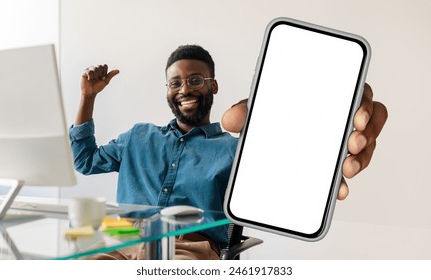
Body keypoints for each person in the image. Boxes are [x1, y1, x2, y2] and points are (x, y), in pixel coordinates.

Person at [69, 45, 387, 260]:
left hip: (191, 249)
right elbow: (84, 161)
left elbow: (287, 188)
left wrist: (322, 128)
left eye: (195, 80)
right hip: (122, 239)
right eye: (174, 83)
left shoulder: (235, 151)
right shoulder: (138, 136)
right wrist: (87, 97)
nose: (184, 89)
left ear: (213, 86)